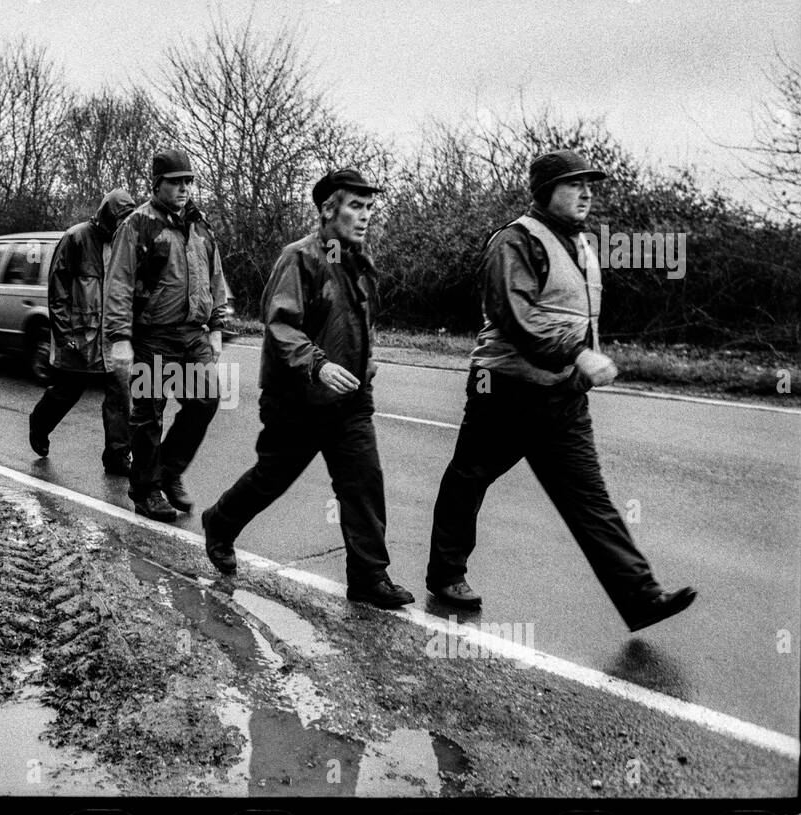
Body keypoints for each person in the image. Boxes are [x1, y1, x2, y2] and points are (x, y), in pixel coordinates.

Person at [424, 148, 696, 632]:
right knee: (469, 478)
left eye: (591, 184)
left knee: (589, 499)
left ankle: (641, 598)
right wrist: (578, 353)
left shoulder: (583, 246)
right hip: (504, 390)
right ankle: (446, 575)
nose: (587, 192)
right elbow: (517, 317)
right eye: (575, 184)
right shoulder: (515, 242)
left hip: (562, 397)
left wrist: (584, 361)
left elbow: (575, 315)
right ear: (546, 191)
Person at [201, 169, 413, 610]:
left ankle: (369, 576)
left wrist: (365, 359)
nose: (365, 216)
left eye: (369, 207)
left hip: (350, 400)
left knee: (363, 482)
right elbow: (280, 324)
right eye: (356, 206)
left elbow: (357, 320)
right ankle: (219, 522)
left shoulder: (357, 260)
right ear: (327, 209)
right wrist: (318, 365)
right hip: (297, 398)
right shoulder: (299, 258)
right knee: (272, 478)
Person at [103, 149, 227, 521]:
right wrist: (120, 337)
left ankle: (167, 472)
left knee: (205, 400)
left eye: (188, 181)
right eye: (176, 182)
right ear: (157, 185)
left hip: (192, 333)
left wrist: (217, 325)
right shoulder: (138, 224)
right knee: (149, 413)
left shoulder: (199, 224)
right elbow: (119, 282)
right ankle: (145, 490)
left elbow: (215, 277)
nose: (184, 188)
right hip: (153, 334)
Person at [28, 189, 137, 474]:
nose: (124, 226)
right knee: (67, 391)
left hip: (113, 336)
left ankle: (117, 456)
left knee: (120, 393)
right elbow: (58, 289)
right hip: (80, 334)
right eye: (120, 220)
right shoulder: (75, 238)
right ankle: (39, 424)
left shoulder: (129, 242)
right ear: (107, 216)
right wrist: (64, 334)